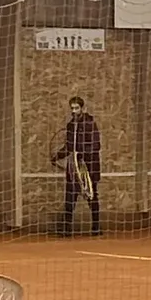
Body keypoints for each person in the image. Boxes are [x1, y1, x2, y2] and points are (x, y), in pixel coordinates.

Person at [53, 93, 103, 235]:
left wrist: (82, 153)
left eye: (76, 108)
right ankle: (67, 229)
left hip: (89, 166)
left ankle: (96, 227)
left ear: (82, 108)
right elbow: (69, 146)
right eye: (72, 108)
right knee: (70, 196)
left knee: (91, 195)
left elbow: (96, 145)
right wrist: (58, 156)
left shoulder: (90, 123)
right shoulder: (70, 125)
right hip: (73, 167)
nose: (74, 111)